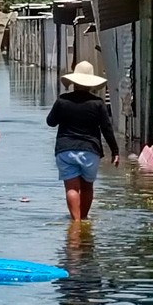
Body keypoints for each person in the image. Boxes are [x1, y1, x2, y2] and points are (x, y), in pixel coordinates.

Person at [46, 60, 119, 221]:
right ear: (91, 84)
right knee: (87, 187)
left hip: (65, 150)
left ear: (74, 81)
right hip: (90, 151)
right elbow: (107, 129)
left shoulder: (62, 101)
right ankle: (84, 219)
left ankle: (76, 222)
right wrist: (115, 151)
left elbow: (50, 122)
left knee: (71, 188)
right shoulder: (98, 104)